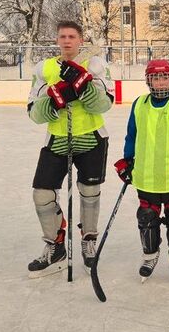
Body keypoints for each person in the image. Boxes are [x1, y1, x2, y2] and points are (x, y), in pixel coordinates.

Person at [26, 22, 113, 278]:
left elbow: (104, 104)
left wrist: (84, 87)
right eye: (62, 36)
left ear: (80, 39)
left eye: (72, 36)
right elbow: (34, 114)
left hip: (91, 138)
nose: (67, 41)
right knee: (42, 194)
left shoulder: (96, 65)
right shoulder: (45, 68)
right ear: (57, 39)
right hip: (57, 139)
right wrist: (54, 97)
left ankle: (88, 240)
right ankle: (56, 247)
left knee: (89, 191)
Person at [113, 59, 169, 283]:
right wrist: (127, 160)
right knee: (146, 218)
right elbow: (132, 135)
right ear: (148, 80)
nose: (160, 82)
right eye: (155, 78)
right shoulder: (139, 104)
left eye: (164, 77)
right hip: (146, 176)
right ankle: (149, 256)